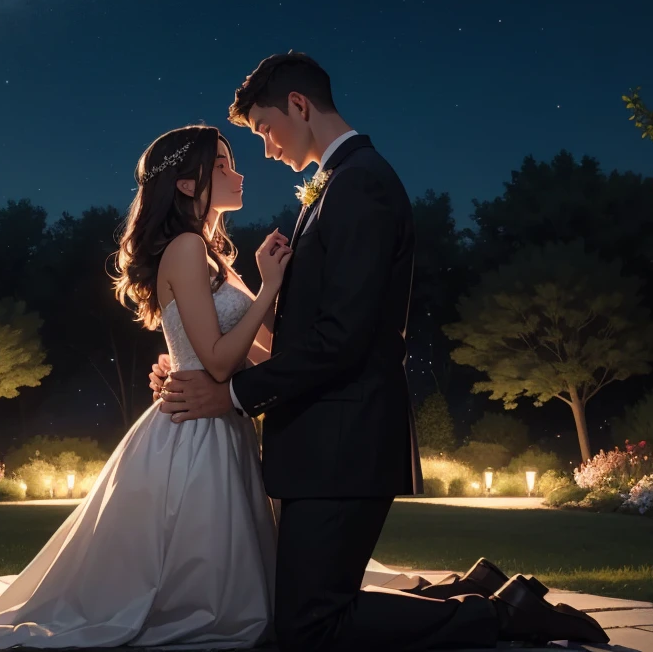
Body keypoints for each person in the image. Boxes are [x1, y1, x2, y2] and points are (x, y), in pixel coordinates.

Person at [0, 123, 439, 647]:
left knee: (245, 586)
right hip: (194, 428)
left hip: (219, 423)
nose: (239, 171)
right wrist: (270, 287)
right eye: (224, 163)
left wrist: (260, 287)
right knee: (197, 596)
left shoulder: (212, 252)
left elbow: (266, 348)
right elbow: (219, 362)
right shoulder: (186, 250)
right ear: (189, 182)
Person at [155, 52, 609, 650]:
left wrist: (232, 393)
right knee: (305, 600)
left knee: (310, 624)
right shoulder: (337, 185)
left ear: (298, 105)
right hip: (321, 442)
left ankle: (504, 615)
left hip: (345, 440)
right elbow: (305, 331)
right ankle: (474, 591)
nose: (265, 149)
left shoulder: (361, 184)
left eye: (265, 130)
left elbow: (343, 341)